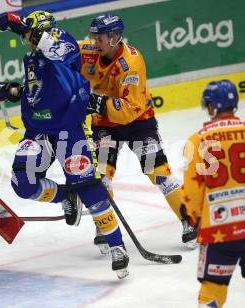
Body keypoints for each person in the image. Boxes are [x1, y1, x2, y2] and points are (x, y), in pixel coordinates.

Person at [0, 10, 129, 278]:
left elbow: (57, 55)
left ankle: (117, 246)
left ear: (41, 30)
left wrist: (21, 28)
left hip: (68, 130)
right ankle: (65, 196)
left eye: (29, 34)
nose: (25, 40)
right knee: (23, 184)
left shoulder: (63, 41)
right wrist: (14, 91)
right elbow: (40, 91)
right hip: (38, 132)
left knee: (89, 188)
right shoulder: (30, 57)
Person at [78, 13, 197, 252]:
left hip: (138, 123)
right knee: (102, 176)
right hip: (105, 126)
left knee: (159, 173)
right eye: (94, 36)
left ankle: (190, 221)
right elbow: (64, 49)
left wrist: (96, 103)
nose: (95, 41)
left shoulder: (131, 63)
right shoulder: (89, 51)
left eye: (99, 37)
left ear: (114, 37)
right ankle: (105, 225)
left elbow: (130, 110)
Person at [180, 80, 245, 308]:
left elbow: (193, 187)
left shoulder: (198, 140)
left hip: (220, 229)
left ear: (212, 106)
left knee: (212, 290)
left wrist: (191, 216)